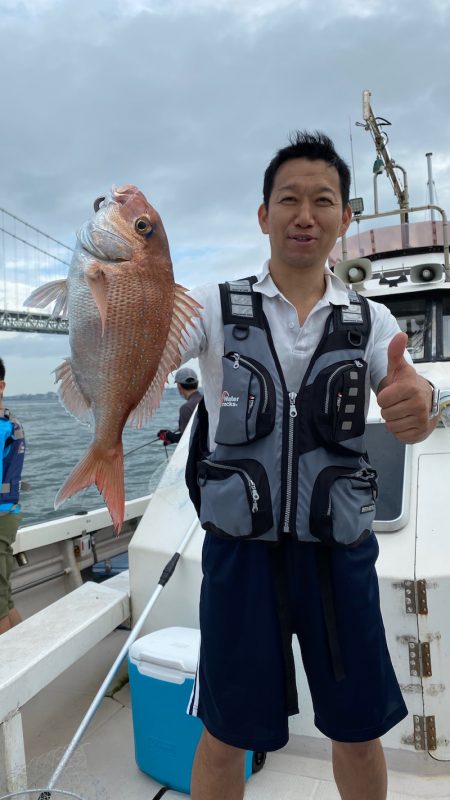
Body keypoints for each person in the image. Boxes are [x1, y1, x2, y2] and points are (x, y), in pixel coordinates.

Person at [178, 131, 438, 800]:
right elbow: (152, 344)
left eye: (322, 199)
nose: (305, 214)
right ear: (263, 215)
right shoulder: (211, 307)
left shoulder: (372, 320)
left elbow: (406, 387)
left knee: (357, 731)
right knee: (224, 732)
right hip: (240, 555)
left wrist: (421, 401)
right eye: (288, 198)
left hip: (336, 555)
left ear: (345, 217)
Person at [0, 358, 26, 635]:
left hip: (0, 516)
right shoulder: (10, 422)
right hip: (8, 514)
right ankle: (30, 658)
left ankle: (8, 674)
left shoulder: (2, 427)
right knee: (5, 601)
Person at [157, 367, 202, 445]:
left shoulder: (186, 408)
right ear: (197, 383)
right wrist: (172, 439)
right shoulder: (205, 400)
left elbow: (186, 439)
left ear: (179, 386)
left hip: (198, 454)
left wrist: (169, 435)